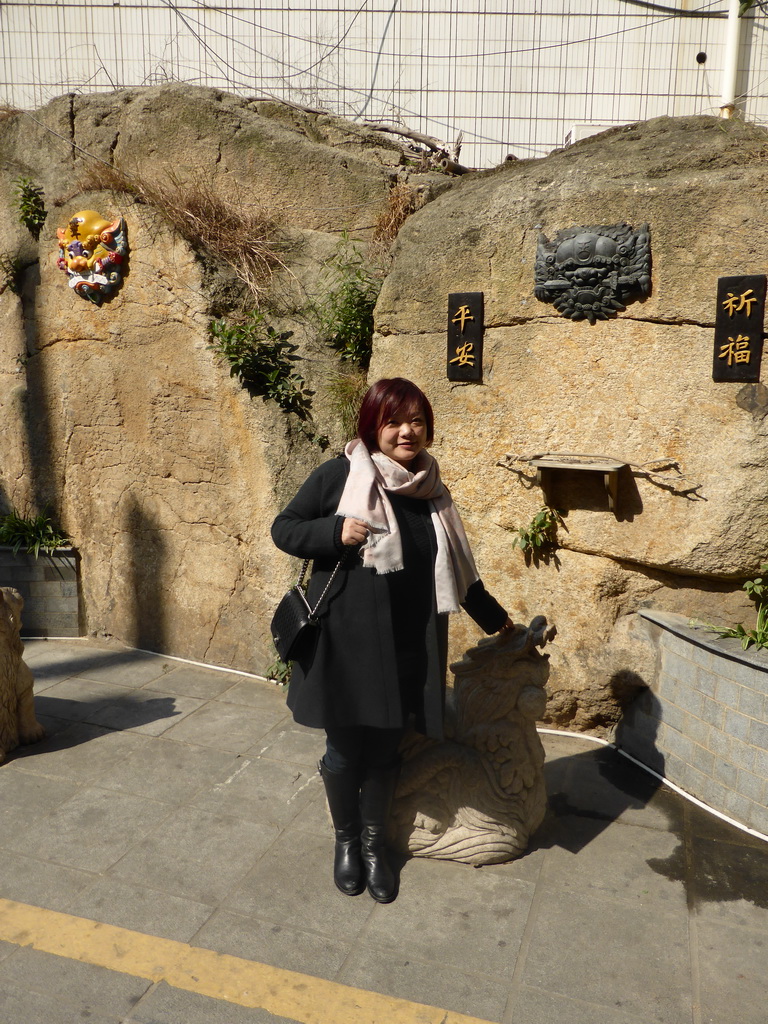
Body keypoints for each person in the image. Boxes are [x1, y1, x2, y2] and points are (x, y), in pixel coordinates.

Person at [271, 378, 513, 902]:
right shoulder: (342, 474)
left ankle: (377, 846)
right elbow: (284, 527)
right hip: (343, 645)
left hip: (407, 646)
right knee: (342, 751)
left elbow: (460, 572)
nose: (407, 431)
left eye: (417, 421)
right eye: (393, 421)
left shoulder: (432, 491)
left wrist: (496, 620)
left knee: (384, 753)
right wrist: (333, 533)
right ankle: (347, 841)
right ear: (372, 425)